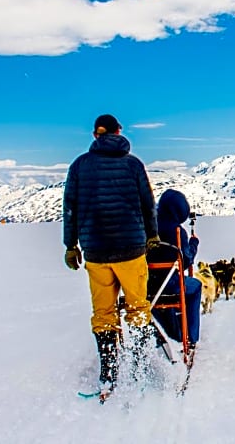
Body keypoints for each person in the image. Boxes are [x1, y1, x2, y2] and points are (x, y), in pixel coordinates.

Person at [62, 113, 160, 398]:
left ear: (95, 135)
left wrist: (71, 245)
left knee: (103, 314)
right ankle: (139, 368)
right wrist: (152, 236)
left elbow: (70, 208)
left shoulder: (79, 166)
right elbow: (147, 204)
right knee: (138, 308)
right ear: (119, 132)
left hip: (96, 252)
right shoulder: (133, 164)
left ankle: (108, 375)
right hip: (131, 249)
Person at [151, 189, 202, 349]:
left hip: (144, 285)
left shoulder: (145, 226)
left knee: (157, 297)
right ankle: (190, 337)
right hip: (170, 285)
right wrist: (194, 244)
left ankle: (165, 330)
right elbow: (186, 261)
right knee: (195, 286)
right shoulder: (177, 232)